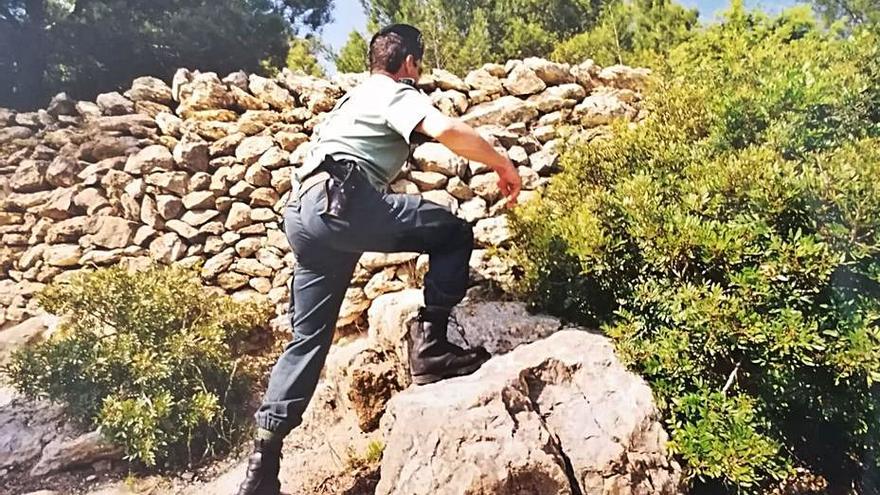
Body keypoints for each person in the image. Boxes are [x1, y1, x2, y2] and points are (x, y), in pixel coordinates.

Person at [236, 23, 522, 495]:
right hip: (343, 202)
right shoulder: (392, 91)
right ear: (408, 62)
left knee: (307, 341)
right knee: (452, 232)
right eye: (418, 64)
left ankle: (262, 465)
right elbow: (446, 129)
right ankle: (429, 347)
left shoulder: (349, 102)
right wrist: (502, 165)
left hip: (305, 216)